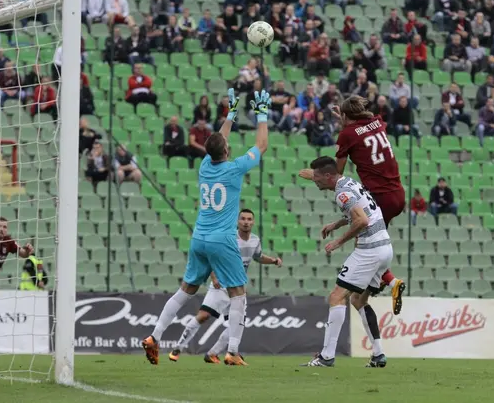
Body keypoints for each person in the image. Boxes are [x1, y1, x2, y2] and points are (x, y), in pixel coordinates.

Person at [142, 88, 270, 366]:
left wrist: (231, 115)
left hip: (198, 237)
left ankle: (154, 336)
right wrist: (262, 115)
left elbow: (217, 140)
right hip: (222, 239)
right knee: (238, 293)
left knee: (185, 291)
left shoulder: (204, 165)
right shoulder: (234, 168)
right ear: (226, 150)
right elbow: (260, 146)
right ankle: (232, 352)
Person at [298, 96, 406, 315]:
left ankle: (391, 281)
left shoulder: (347, 134)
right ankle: (376, 286)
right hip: (397, 194)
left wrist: (314, 176)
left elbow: (337, 175)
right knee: (373, 242)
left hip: (379, 196)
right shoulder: (377, 121)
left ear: (345, 116)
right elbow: (361, 131)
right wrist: (346, 122)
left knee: (365, 245)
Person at [303, 157, 391, 368]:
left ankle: (326, 357)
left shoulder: (341, 193)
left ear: (328, 176)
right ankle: (378, 355)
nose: (315, 182)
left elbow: (362, 220)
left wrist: (338, 242)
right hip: (385, 247)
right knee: (358, 301)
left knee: (336, 296)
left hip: (369, 250)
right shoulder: (350, 183)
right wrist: (336, 224)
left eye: (317, 178)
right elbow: (362, 211)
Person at [168, 209, 282, 363]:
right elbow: (213, 256)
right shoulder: (229, 238)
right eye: (243, 219)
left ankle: (213, 353)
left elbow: (258, 257)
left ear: (253, 222)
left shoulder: (255, 240)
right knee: (203, 316)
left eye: (249, 219)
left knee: (236, 325)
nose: (246, 222)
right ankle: (178, 348)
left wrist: (274, 261)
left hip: (238, 289)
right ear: (237, 221)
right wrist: (214, 276)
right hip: (221, 285)